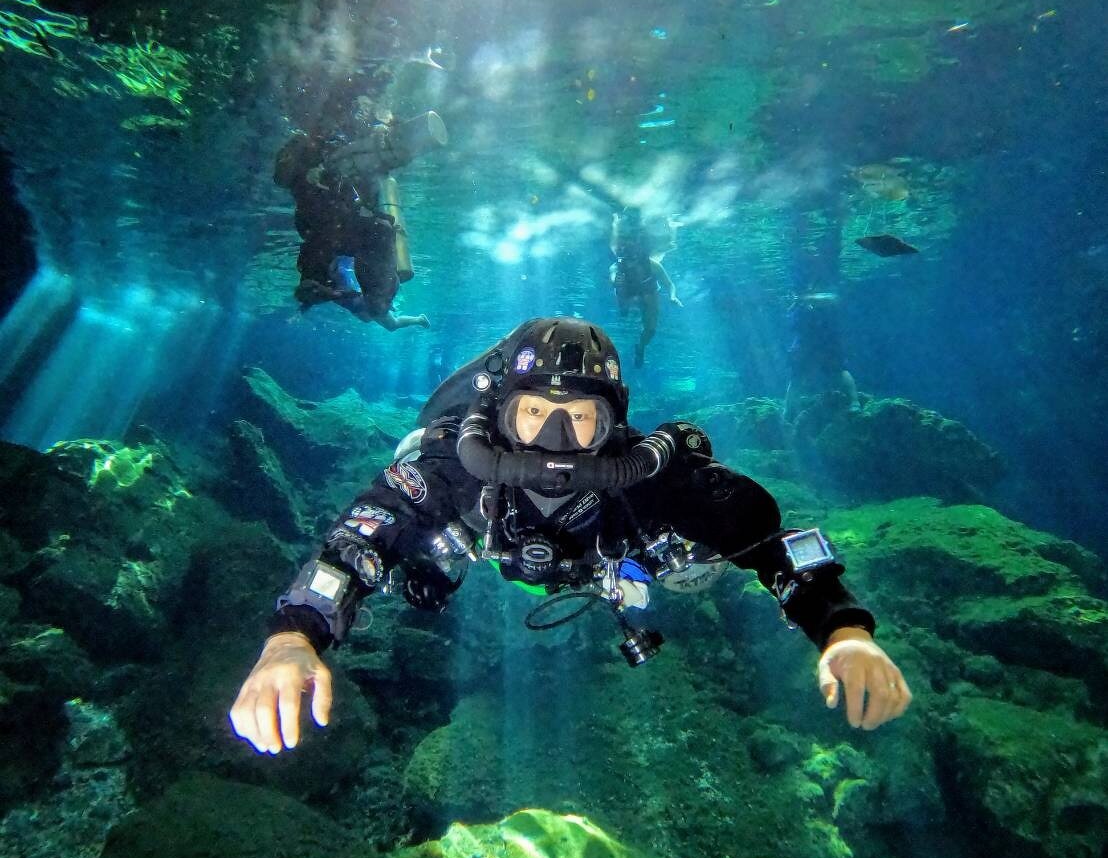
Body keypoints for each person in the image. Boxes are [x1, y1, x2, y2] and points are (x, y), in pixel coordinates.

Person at [230, 317, 911, 754]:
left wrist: (843, 629)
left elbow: (769, 540)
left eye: (580, 419)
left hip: (607, 561)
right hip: (483, 544)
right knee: (420, 563)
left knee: (689, 562)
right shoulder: (452, 468)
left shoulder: (645, 477)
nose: (555, 442)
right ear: (498, 417)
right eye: (534, 414)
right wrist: (293, 638)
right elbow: (355, 543)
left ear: (613, 426)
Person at [273, 108, 446, 331]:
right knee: (377, 310)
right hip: (353, 234)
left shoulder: (328, 178)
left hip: (354, 232)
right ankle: (402, 312)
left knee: (378, 310)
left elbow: (320, 247)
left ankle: (406, 313)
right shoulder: (323, 190)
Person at [609, 207, 682, 367]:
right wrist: (616, 282)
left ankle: (640, 347)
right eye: (629, 254)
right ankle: (624, 309)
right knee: (620, 291)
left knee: (651, 329)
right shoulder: (619, 267)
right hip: (628, 292)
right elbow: (613, 278)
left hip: (649, 292)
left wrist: (673, 296)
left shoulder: (652, 265)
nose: (632, 259)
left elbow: (669, 284)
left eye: (635, 254)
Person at [783, 290, 860, 436]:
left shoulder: (814, 298)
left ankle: (854, 402)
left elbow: (833, 299)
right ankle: (787, 411)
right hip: (805, 342)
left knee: (838, 371)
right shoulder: (797, 304)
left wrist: (805, 299)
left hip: (825, 340)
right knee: (797, 377)